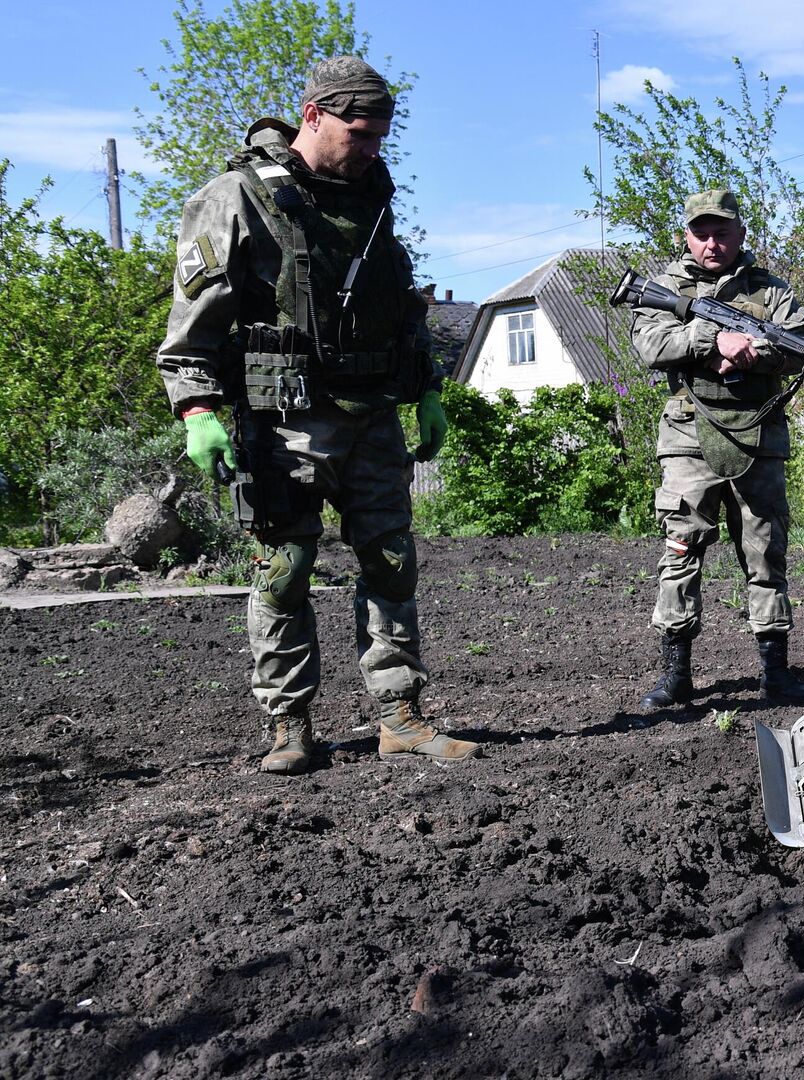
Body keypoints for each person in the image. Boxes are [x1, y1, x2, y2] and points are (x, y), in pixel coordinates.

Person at [157, 56, 478, 774]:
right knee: (286, 570)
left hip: (370, 421)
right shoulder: (237, 196)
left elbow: (401, 306)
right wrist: (198, 408)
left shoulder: (371, 200)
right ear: (313, 115)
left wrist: (427, 388)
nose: (371, 149)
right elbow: (192, 326)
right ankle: (290, 726)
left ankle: (400, 714)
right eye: (358, 133)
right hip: (282, 422)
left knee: (391, 566)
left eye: (379, 137)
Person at [626, 189, 804, 713]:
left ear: (741, 234)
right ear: (685, 235)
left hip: (758, 435)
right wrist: (714, 340)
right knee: (682, 548)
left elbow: (801, 341)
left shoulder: (771, 291)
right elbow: (651, 345)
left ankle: (776, 674)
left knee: (765, 552)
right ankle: (676, 675)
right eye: (702, 232)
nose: (713, 243)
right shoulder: (665, 287)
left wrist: (751, 350)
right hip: (689, 437)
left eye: (723, 232)